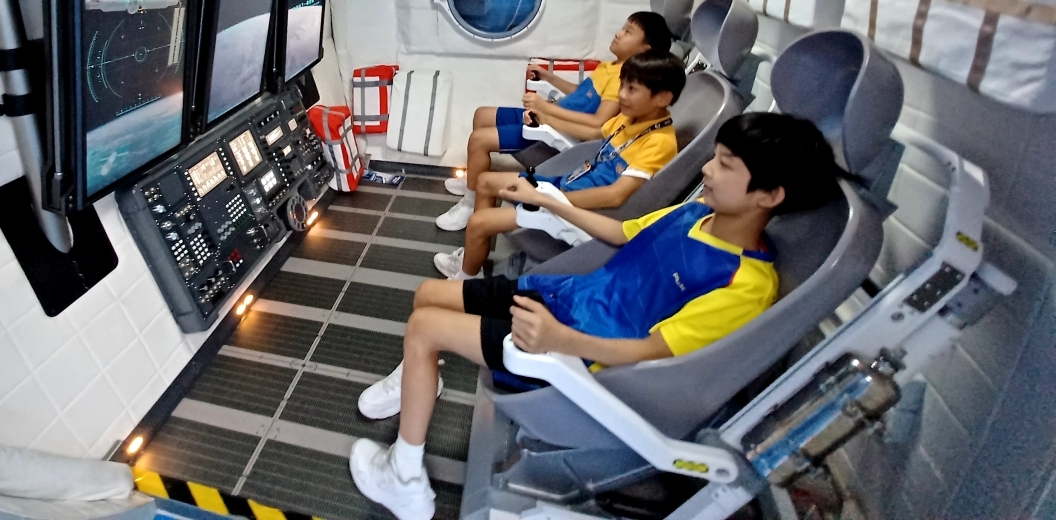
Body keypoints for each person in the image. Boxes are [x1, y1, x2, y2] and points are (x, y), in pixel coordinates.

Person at [349, 112, 857, 520]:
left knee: (425, 328)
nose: (706, 169)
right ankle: (421, 381)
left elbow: (651, 353)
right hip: (567, 299)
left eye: (725, 165)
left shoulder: (744, 284)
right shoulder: (696, 214)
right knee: (429, 295)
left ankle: (405, 481)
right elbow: (620, 233)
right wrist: (547, 200)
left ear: (769, 196)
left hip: (578, 352)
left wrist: (559, 341)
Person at [435, 52, 684, 279]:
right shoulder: (631, 119)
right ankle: (474, 262)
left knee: (479, 223)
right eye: (622, 86)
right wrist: (546, 118)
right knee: (485, 182)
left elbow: (615, 195)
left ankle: (464, 281)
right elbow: (594, 133)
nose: (622, 95)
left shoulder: (659, 143)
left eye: (632, 89)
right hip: (570, 183)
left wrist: (550, 199)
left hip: (578, 204)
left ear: (662, 97)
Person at [438, 11, 674, 231]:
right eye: (623, 28)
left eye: (628, 32)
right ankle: (472, 182)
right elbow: (580, 95)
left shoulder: (622, 80)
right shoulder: (609, 67)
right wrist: (549, 77)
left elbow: (597, 122)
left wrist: (545, 111)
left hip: (552, 127)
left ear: (644, 50)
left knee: (479, 139)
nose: (618, 34)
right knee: (482, 115)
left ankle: (470, 203)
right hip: (550, 114)